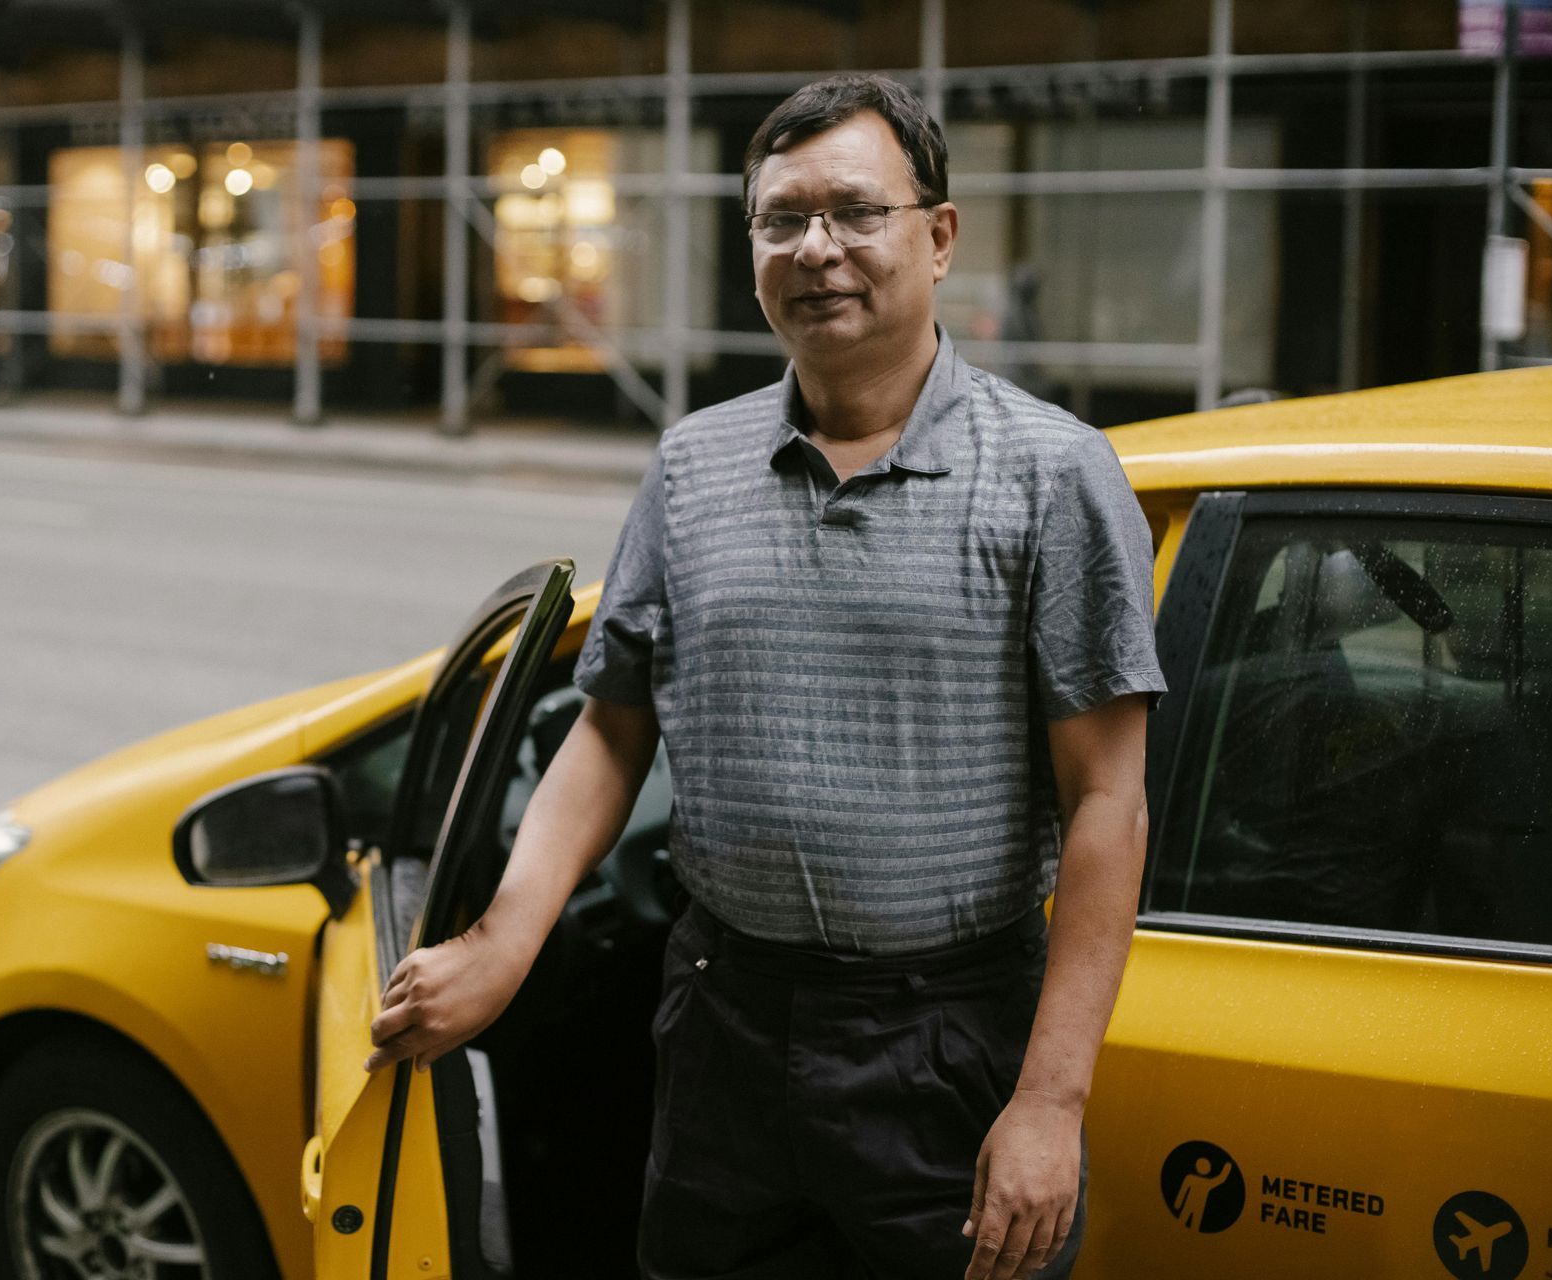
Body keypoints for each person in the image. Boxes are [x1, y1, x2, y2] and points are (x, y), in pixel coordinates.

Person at [366, 72, 1165, 1280]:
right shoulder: (694, 464)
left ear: (938, 237)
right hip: (722, 1019)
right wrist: (502, 940)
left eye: (855, 211)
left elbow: (1109, 799)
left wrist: (1050, 1101)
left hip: (946, 1035)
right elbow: (610, 725)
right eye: (781, 218)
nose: (817, 248)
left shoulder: (1054, 474)